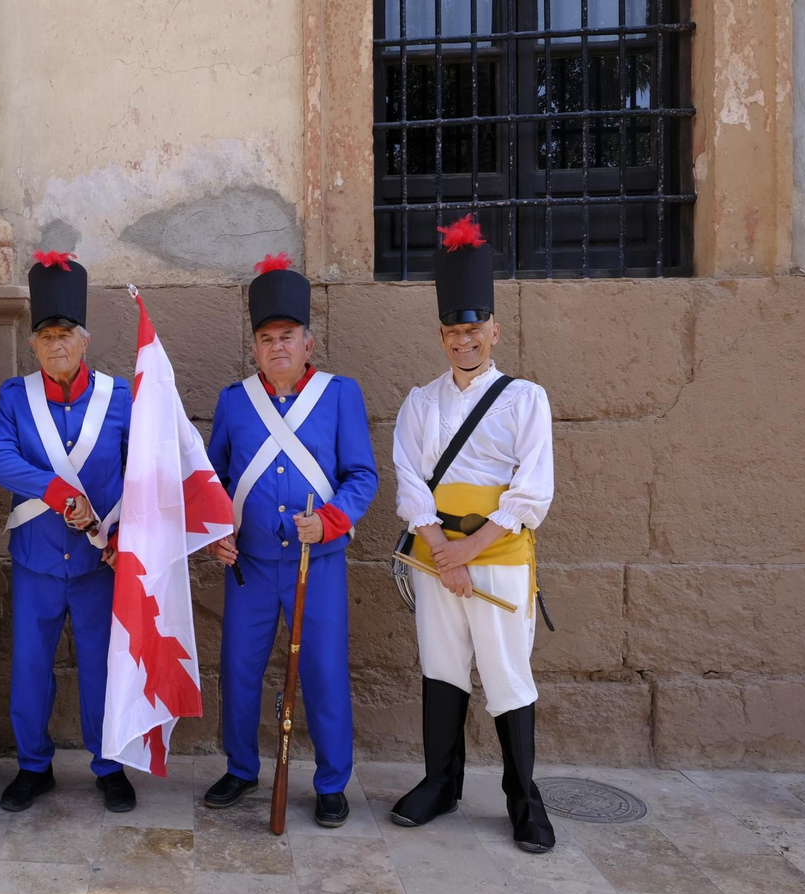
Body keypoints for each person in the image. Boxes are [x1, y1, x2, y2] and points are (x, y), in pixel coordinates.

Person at [389, 215, 556, 853]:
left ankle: (523, 800)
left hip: (498, 556)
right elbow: (410, 482)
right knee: (441, 668)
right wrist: (440, 552)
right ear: (441, 335)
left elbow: (531, 492)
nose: (465, 341)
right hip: (437, 559)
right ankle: (440, 783)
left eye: (474, 330)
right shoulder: (419, 402)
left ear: (494, 330)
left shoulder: (525, 400)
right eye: (454, 332)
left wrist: (469, 551)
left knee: (508, 674)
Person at [202, 254, 377, 827]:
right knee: (240, 669)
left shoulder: (339, 395)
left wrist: (329, 520)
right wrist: (216, 533)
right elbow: (217, 479)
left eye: (287, 336)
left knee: (323, 671)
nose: (277, 347)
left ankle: (331, 781)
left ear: (309, 341)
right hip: (250, 566)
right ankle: (241, 767)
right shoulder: (234, 401)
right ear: (255, 347)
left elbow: (362, 476)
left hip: (316, 563)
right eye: (266, 338)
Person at [0, 251, 135, 813]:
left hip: (101, 561)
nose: (55, 345)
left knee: (102, 666)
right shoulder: (14, 397)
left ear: (85, 339)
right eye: (45, 336)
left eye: (65, 334)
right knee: (29, 667)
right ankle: (33, 765)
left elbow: (141, 474)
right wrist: (54, 491)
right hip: (37, 558)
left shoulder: (118, 397)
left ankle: (108, 765)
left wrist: (123, 537)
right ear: (32, 344)